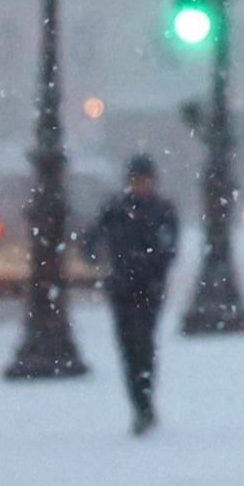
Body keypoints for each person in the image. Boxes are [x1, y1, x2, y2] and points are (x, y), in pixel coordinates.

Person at [85, 154, 181, 437]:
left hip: (147, 289)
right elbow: (90, 241)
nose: (139, 184)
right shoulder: (116, 208)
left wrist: (153, 268)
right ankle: (140, 405)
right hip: (123, 288)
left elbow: (170, 248)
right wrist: (99, 256)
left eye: (143, 179)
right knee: (130, 349)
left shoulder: (160, 210)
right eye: (136, 179)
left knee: (144, 346)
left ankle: (144, 403)